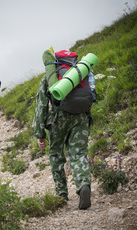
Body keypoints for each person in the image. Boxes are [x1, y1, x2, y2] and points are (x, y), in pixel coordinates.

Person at [33, 49, 96, 210]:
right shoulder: (82, 72)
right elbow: (91, 95)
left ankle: (61, 193)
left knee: (56, 154)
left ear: (57, 60)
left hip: (58, 118)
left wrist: (40, 133)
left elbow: (41, 106)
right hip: (81, 116)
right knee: (78, 154)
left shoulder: (51, 75)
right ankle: (83, 186)